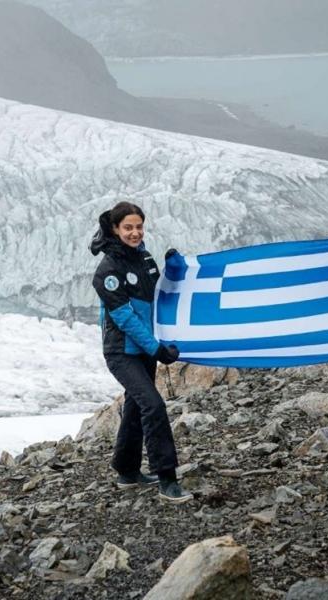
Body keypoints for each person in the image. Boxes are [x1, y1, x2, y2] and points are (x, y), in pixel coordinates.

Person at [90, 201, 193, 504]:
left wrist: (174, 268)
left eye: (138, 227)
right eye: (128, 228)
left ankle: (127, 471)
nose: (134, 233)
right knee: (153, 406)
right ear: (115, 229)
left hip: (146, 347)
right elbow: (124, 319)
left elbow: (159, 293)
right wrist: (157, 349)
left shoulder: (144, 258)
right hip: (122, 351)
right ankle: (167, 479)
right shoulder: (108, 270)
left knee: (136, 405)